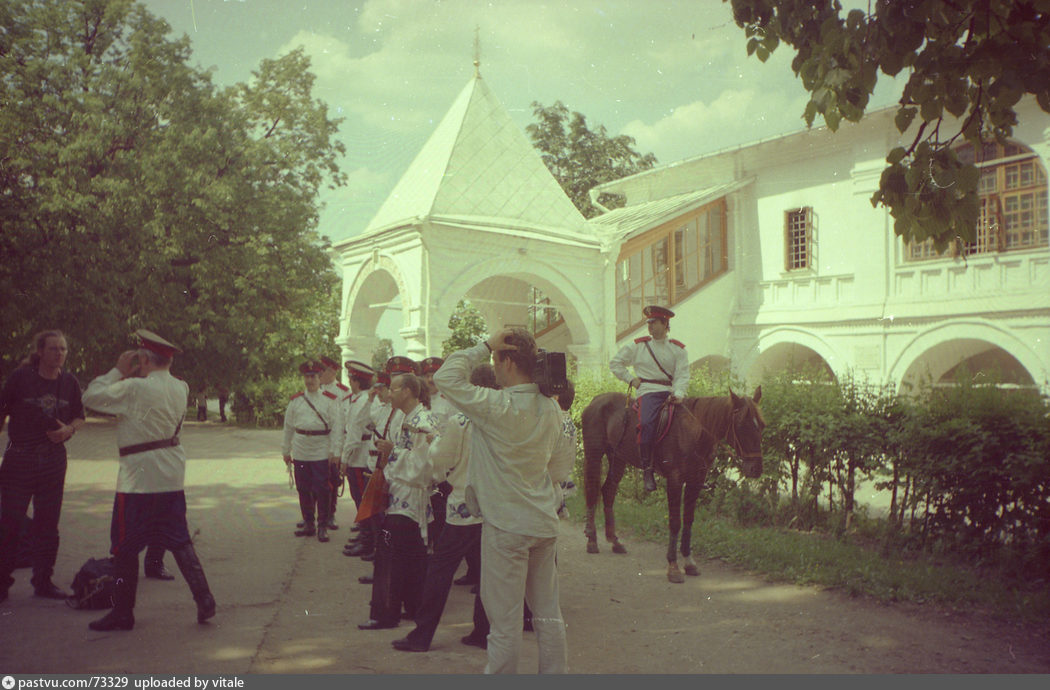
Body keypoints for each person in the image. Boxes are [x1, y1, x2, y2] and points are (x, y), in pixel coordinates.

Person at [434, 328, 574, 674]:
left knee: (505, 624)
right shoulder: (551, 409)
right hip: (543, 523)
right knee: (548, 615)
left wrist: (483, 345)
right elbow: (557, 470)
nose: (493, 368)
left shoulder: (494, 404)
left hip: (506, 527)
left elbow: (445, 377)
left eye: (497, 360)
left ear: (508, 361)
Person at [81, 329, 215, 630]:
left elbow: (90, 397)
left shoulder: (135, 389)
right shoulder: (181, 387)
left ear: (143, 358)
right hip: (170, 474)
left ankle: (122, 613)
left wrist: (118, 369)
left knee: (124, 546)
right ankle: (205, 599)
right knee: (179, 540)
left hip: (138, 479)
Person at [391, 364, 496, 653]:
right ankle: (482, 630)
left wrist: (433, 441)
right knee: (487, 570)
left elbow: (440, 460)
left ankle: (422, 635)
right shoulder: (502, 418)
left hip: (463, 505)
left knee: (439, 571)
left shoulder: (460, 420)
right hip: (494, 506)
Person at [0, 329, 85, 602]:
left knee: (48, 524)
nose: (59, 353)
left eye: (63, 349)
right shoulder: (20, 378)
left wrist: (68, 431)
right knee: (10, 523)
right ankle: (2, 583)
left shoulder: (70, 382)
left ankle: (43, 581)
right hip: (20, 459)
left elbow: (79, 417)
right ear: (40, 352)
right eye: (53, 349)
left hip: (53, 460)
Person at [358, 373, 437, 631]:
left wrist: (393, 453)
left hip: (409, 498)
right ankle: (414, 607)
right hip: (400, 494)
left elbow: (425, 467)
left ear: (408, 391)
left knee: (389, 552)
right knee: (411, 555)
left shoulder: (422, 421)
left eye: (393, 389)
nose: (388, 394)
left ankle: (384, 614)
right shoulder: (407, 418)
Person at [609, 305, 689, 492]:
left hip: (671, 393)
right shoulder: (638, 346)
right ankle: (647, 469)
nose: (650, 326)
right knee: (646, 423)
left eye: (654, 323)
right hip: (648, 392)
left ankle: (691, 469)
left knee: (692, 423)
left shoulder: (678, 349)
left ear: (665, 324)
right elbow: (615, 363)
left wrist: (678, 394)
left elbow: (682, 375)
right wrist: (631, 379)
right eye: (649, 323)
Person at [282, 360, 343, 543]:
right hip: (301, 450)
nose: (310, 380)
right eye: (307, 377)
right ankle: (308, 523)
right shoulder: (296, 401)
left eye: (313, 376)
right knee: (303, 488)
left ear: (319, 378)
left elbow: (336, 427)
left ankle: (322, 525)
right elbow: (288, 427)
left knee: (322, 489)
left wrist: (335, 451)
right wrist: (286, 450)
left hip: (321, 450)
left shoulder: (330, 400)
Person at [340, 360, 375, 557]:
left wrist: (345, 459)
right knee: (359, 499)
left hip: (359, 455)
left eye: (352, 379)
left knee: (362, 500)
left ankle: (367, 540)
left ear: (357, 381)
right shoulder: (358, 399)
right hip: (358, 453)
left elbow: (354, 433)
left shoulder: (363, 400)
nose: (350, 383)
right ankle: (364, 535)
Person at [419, 356, 452, 551]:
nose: (430, 380)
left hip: (440, 468)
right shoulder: (418, 403)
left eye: (434, 375)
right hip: (420, 466)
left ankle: (438, 551)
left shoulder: (448, 402)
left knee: (439, 512)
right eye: (427, 375)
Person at [319, 356, 349, 531]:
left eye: (323, 371)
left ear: (332, 371)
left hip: (334, 441)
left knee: (331, 480)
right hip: (317, 442)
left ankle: (330, 515)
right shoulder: (317, 388)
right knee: (314, 482)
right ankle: (316, 516)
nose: (319, 374)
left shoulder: (342, 391)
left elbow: (343, 421)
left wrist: (338, 448)